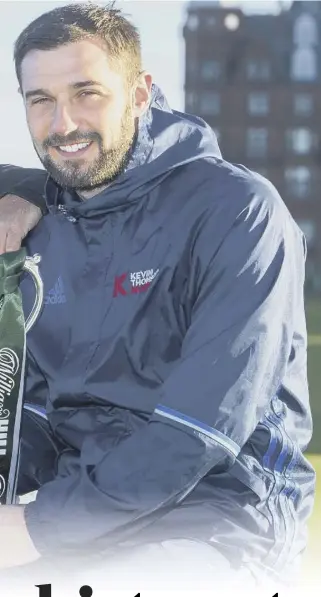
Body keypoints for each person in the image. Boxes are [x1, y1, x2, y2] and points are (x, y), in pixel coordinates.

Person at [0, 1, 315, 589]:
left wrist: (37, 528)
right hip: (84, 520)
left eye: (87, 92)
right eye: (40, 100)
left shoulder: (238, 212)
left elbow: (198, 432)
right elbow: (41, 412)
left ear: (141, 94)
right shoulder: (47, 226)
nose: (63, 123)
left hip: (220, 522)